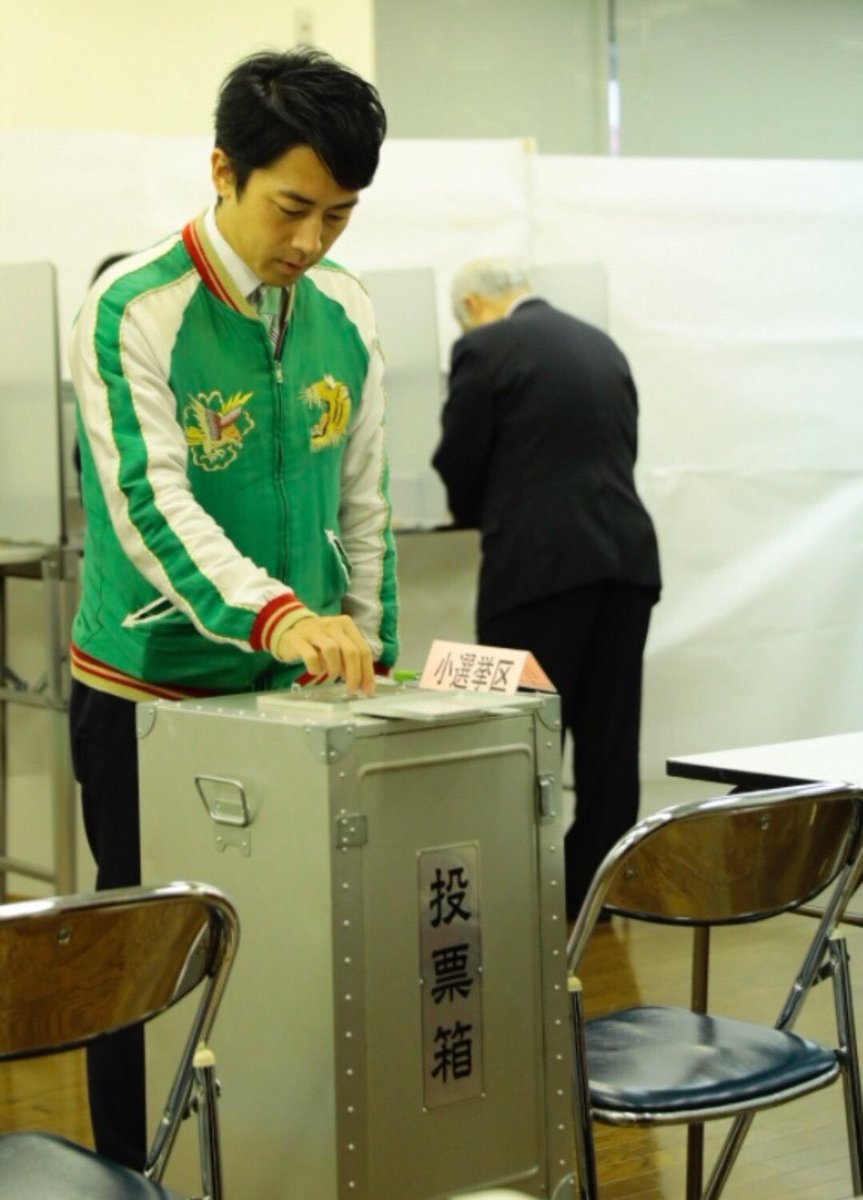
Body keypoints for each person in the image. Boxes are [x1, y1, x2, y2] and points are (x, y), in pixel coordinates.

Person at [68, 48, 398, 1171]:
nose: (309, 242)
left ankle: (265, 1166)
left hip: (293, 701)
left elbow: (363, 503)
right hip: (151, 696)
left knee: (291, 951)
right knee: (143, 956)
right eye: (291, 208)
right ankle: (131, 1173)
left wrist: (371, 652)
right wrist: (277, 617)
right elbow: (147, 506)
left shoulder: (344, 309)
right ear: (223, 171)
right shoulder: (134, 306)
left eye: (338, 216)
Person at [432, 258, 660, 925]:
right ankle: (593, 896)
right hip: (626, 562)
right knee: (609, 741)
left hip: (538, 568)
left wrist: (477, 510)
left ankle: (519, 901)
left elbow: (459, 459)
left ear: (472, 306)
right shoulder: (600, 344)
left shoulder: (484, 346)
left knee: (520, 740)